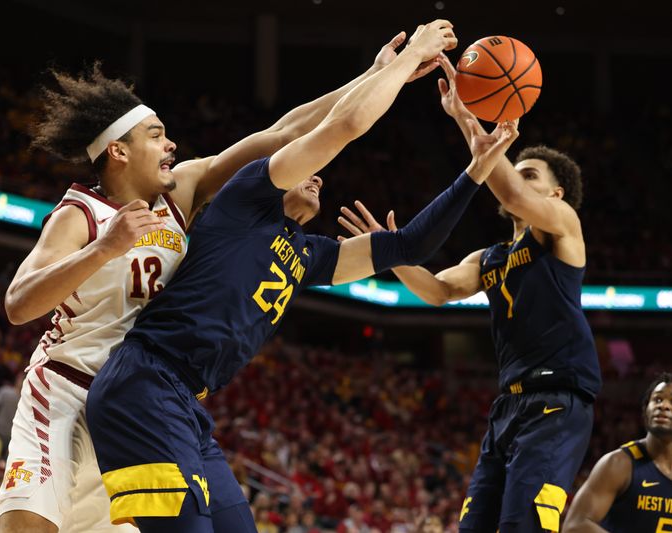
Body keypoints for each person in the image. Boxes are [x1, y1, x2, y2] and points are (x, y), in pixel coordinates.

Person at [0, 32, 437, 533]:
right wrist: (105, 247)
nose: (172, 144)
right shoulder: (81, 215)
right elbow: (17, 304)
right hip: (65, 391)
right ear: (118, 151)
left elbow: (284, 130)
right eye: (157, 135)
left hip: (135, 409)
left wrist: (375, 76)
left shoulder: (183, 191)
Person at [85, 21, 516, 532]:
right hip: (145, 384)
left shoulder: (307, 255)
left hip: (188, 403)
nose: (317, 175)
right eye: (307, 170)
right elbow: (340, 127)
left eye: (321, 177)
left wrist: (476, 173)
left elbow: (411, 245)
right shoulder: (247, 198)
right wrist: (404, 64)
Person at [337, 55, 601, 532]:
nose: (516, 178)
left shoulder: (563, 226)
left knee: (524, 525)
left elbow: (515, 198)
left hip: (557, 400)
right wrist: (389, 253)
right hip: (509, 405)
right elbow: (438, 291)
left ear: (557, 194)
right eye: (515, 170)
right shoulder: (490, 257)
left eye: (530, 173)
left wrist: (467, 120)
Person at [563, 374, 672, 532]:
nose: (663, 406)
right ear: (646, 411)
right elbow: (575, 525)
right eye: (657, 400)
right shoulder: (618, 464)